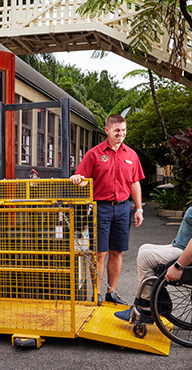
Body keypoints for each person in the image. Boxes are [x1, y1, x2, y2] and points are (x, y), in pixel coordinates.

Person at [115, 156, 192, 323]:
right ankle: (153, 303)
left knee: (145, 257)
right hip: (186, 247)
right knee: (144, 249)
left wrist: (178, 266)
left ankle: (147, 309)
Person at [70, 114, 145, 305]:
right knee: (99, 253)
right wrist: (77, 179)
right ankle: (96, 294)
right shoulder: (94, 154)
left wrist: (139, 209)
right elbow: (81, 177)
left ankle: (111, 292)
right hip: (100, 208)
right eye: (117, 130)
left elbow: (135, 183)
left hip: (123, 208)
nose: (121, 134)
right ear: (108, 131)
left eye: (123, 130)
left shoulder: (131, 155)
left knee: (117, 252)